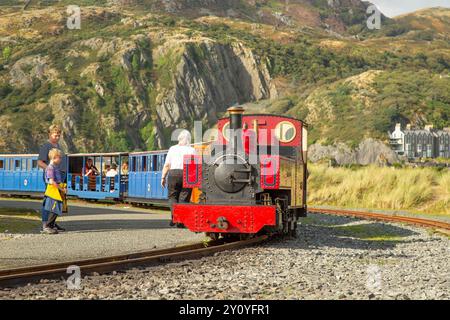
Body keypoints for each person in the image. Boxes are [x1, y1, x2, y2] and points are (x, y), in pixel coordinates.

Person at [161, 130, 196, 227]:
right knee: (184, 199)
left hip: (174, 174)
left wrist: (163, 177)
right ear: (189, 139)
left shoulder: (172, 149)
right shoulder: (192, 150)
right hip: (187, 174)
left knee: (172, 197)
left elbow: (167, 165)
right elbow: (195, 166)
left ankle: (175, 218)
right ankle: (181, 222)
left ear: (179, 139)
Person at [42, 148, 67, 234]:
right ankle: (48, 226)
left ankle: (52, 225)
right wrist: (61, 189)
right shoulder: (50, 168)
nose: (60, 159)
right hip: (53, 191)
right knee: (55, 209)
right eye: (59, 157)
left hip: (56, 190)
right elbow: (52, 181)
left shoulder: (55, 167)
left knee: (57, 208)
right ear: (54, 157)